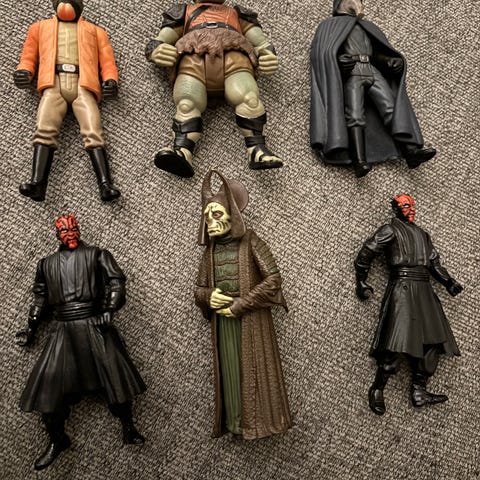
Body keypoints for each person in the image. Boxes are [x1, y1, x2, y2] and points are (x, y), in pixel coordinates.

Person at [16, 214, 145, 470]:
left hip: (95, 324)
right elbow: (40, 298)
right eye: (65, 232)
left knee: (117, 382)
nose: (71, 234)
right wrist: (31, 328)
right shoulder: (46, 264)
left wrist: (109, 308)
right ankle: (58, 439)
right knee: (48, 390)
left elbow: (116, 282)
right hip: (63, 330)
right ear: (58, 235)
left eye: (73, 229)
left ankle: (128, 426)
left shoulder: (97, 255)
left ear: (79, 229)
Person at [194, 170, 291, 438]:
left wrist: (242, 304)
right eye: (207, 217)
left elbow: (273, 280)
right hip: (222, 322)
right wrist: (208, 297)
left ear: (232, 214)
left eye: (216, 214)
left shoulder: (251, 241)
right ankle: (236, 422)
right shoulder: (210, 251)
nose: (211, 222)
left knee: (256, 371)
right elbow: (198, 290)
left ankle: (259, 423)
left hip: (251, 319)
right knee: (230, 372)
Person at [146, 0, 282, 177]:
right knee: (187, 103)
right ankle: (182, 150)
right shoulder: (183, 12)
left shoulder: (238, 14)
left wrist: (268, 55)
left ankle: (257, 149)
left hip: (235, 63)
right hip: (192, 65)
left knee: (249, 98)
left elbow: (262, 44)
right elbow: (159, 41)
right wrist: (156, 50)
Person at [355, 194, 462, 415]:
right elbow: (368, 250)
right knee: (396, 341)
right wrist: (361, 278)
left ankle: (419, 390)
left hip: (424, 289)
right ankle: (378, 387)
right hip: (402, 288)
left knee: (433, 340)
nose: (410, 209)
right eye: (405, 205)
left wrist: (449, 282)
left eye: (412, 205)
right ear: (396, 209)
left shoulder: (423, 235)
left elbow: (434, 263)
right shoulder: (390, 230)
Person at [310, 0, 436, 177]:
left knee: (390, 108)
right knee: (354, 114)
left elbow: (375, 52)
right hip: (353, 72)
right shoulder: (329, 27)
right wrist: (338, 62)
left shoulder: (367, 26)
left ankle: (411, 152)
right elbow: (322, 54)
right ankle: (359, 161)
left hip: (371, 69)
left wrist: (389, 60)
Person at [14, 0, 120, 201]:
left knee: (93, 131)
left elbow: (107, 61)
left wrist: (111, 79)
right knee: (44, 128)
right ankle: (38, 183)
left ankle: (106, 184)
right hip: (53, 83)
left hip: (84, 84)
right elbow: (28, 56)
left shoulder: (96, 31)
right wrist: (24, 71)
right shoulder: (39, 28)